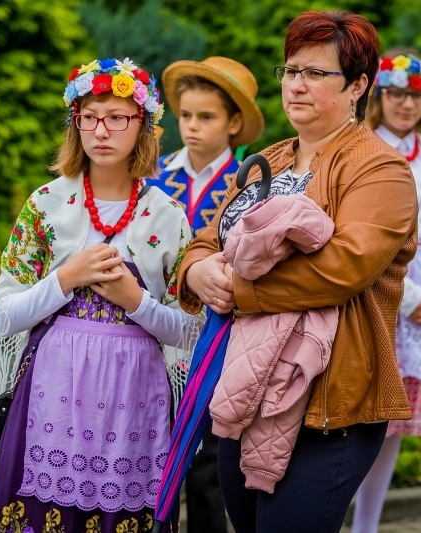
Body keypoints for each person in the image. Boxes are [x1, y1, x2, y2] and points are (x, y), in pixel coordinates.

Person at [175, 10, 419, 533]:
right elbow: (206, 239)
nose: (297, 86)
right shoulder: (269, 159)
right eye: (291, 71)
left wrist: (238, 291)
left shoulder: (380, 168)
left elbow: (343, 267)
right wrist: (196, 273)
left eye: (315, 74)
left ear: (358, 86)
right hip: (245, 388)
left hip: (329, 402)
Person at [0, 57, 194, 533]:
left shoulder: (168, 215)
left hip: (135, 403)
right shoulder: (46, 204)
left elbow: (191, 331)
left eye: (118, 117)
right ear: (74, 123)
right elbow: (3, 316)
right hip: (51, 396)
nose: (102, 130)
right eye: (89, 116)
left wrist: (134, 301)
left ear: (143, 126)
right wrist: (66, 278)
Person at [351, 49, 421, 532]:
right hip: (385, 283)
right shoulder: (363, 146)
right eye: (396, 93)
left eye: (415, 95)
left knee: (395, 420)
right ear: (379, 95)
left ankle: (370, 524)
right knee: (368, 413)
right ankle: (348, 516)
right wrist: (414, 296)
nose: (405, 104)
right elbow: (366, 230)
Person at [157, 55, 265, 533]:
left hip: (221, 339)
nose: (193, 127)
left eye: (207, 116)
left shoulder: (252, 184)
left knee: (208, 469)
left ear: (234, 123)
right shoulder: (155, 175)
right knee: (153, 454)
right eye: (185, 115)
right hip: (157, 334)